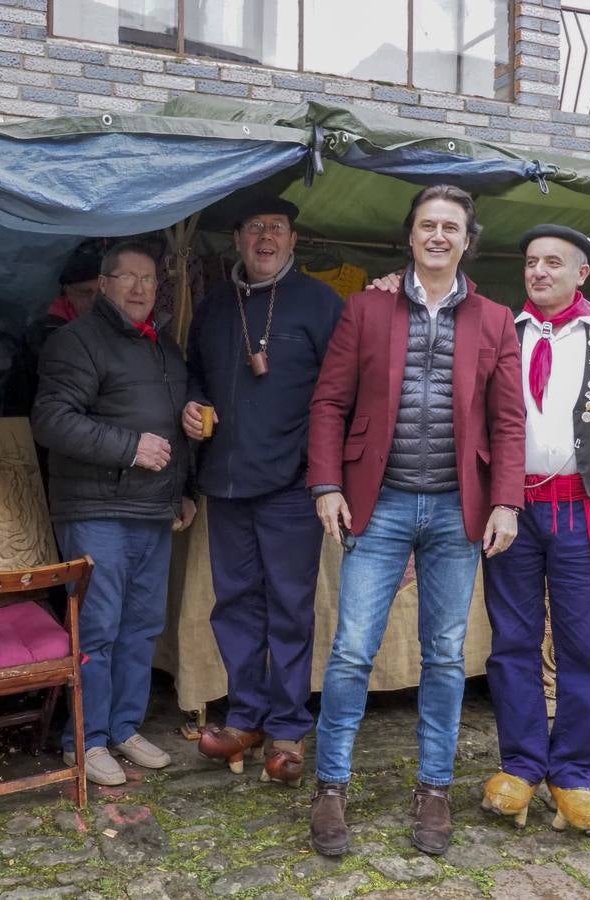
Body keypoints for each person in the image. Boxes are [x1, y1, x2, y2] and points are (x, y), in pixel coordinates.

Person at [305, 184, 526, 857]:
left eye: (450, 227)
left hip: (459, 515)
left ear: (466, 239)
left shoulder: (495, 319)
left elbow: (509, 422)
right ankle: (330, 788)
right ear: (410, 236)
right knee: (349, 652)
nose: (437, 236)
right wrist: (325, 485)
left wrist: (506, 501)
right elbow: (328, 403)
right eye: (427, 225)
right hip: (382, 503)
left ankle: (434, 791)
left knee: (443, 656)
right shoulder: (366, 308)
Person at [479, 225, 590, 832]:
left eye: (554, 263)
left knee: (583, 645)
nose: (539, 272)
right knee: (513, 642)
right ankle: (523, 765)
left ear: (582, 273)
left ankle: (572, 773)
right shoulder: (504, 330)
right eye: (530, 262)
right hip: (514, 510)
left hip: (584, 510)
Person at [182, 196, 343, 786]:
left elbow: (340, 395)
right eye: (256, 228)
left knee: (290, 607)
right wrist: (192, 403)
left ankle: (288, 728)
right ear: (238, 240)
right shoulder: (215, 307)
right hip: (226, 482)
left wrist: (326, 475)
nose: (266, 237)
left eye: (277, 228)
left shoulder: (322, 304)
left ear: (293, 241)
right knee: (235, 604)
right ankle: (245, 715)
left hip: (292, 486)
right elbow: (194, 373)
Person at [31, 241, 196, 787]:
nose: (140, 288)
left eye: (148, 279)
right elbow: (52, 420)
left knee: (142, 627)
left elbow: (174, 427)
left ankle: (124, 726)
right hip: (97, 509)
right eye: (127, 277)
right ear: (102, 285)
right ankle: (86, 739)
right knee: (97, 629)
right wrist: (129, 447)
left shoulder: (163, 348)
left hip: (153, 510)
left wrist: (184, 488)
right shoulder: (75, 341)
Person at [6, 247, 102, 416]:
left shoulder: (119, 328)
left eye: (101, 293)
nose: (94, 301)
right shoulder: (44, 334)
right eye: (86, 292)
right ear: (67, 293)